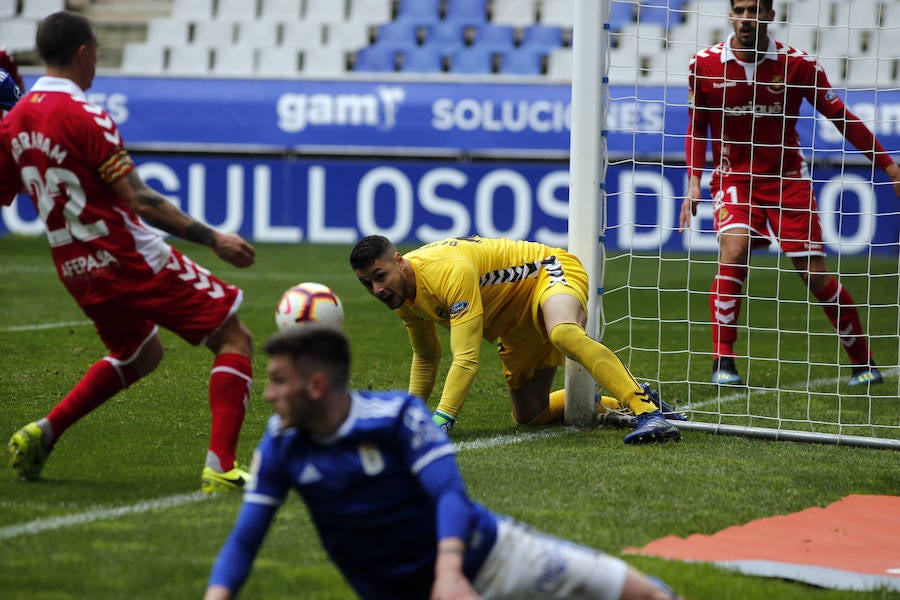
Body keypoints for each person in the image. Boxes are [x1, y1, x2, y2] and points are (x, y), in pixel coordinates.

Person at [204, 325, 682, 600]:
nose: (267, 395)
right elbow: (245, 540)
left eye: (277, 381)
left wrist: (450, 572)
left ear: (315, 387)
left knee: (645, 594)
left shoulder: (397, 417)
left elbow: (449, 493)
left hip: (493, 558)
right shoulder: (281, 444)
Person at [2, 11, 255, 493]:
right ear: (82, 53)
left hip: (74, 267)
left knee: (139, 351)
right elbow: (140, 199)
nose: (95, 61)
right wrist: (214, 238)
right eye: (94, 52)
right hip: (127, 258)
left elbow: (4, 187)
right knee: (234, 338)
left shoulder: (15, 122)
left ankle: (44, 432)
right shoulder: (85, 115)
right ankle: (221, 468)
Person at [679, 0, 900, 386]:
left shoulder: (798, 65)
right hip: (735, 178)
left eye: (755, 11)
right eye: (741, 10)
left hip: (787, 180)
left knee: (815, 276)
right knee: (734, 250)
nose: (747, 18)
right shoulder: (705, 65)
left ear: (769, 16)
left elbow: (841, 117)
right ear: (731, 14)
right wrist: (693, 180)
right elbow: (697, 125)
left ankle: (863, 362)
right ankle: (723, 363)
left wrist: (889, 165)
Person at [349, 235, 683, 444]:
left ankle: (648, 411)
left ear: (399, 261)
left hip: (546, 272)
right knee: (529, 415)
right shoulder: (400, 296)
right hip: (514, 323)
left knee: (563, 331)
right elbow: (425, 357)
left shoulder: (445, 272)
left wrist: (441, 420)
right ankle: (618, 403)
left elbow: (465, 357)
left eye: (380, 277)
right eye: (368, 284)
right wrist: (411, 414)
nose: (377, 290)